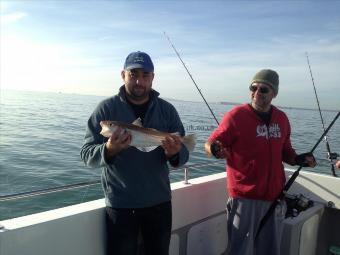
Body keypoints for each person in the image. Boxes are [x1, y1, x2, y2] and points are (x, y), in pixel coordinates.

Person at [80, 51, 189, 255]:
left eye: (145, 75)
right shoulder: (105, 109)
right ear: (123, 75)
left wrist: (174, 153)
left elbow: (183, 156)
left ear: (152, 77)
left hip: (159, 203)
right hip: (120, 205)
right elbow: (86, 155)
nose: (139, 81)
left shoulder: (167, 111)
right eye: (133, 74)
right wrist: (109, 149)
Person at [204, 69, 317, 255]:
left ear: (274, 93)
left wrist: (299, 159)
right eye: (253, 87)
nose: (257, 93)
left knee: (270, 250)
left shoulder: (281, 119)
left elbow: (286, 152)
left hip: (275, 198)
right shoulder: (235, 116)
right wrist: (215, 150)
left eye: (263, 89)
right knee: (240, 250)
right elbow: (209, 143)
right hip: (244, 199)